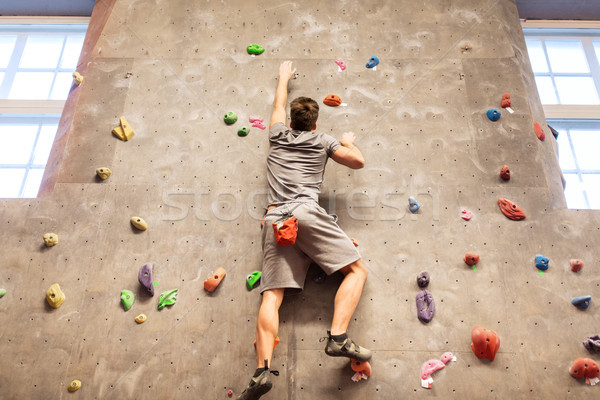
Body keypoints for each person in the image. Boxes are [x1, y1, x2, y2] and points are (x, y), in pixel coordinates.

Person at [237, 61, 371, 400]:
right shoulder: (323, 141)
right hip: (304, 212)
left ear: (292, 122)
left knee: (272, 296)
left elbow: (278, 105)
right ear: (315, 123)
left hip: (274, 220)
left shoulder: (276, 134)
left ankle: (261, 370)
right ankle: (338, 337)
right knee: (356, 271)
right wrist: (347, 141)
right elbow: (358, 163)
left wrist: (283, 77)